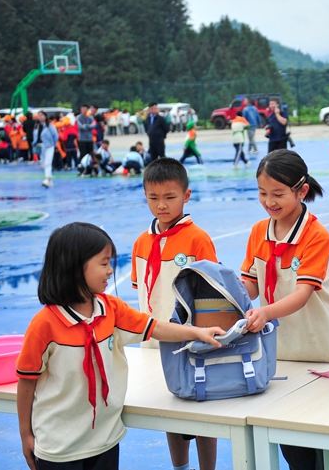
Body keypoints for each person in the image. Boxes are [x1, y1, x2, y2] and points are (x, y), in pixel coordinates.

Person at [16, 223, 222, 470]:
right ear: (74, 268)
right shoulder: (44, 325)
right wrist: (25, 434)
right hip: (59, 448)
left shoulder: (111, 309)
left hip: (105, 440)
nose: (110, 270)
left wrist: (197, 332)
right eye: (103, 264)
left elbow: (154, 327)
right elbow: (26, 381)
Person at [240, 149, 329, 470]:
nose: (269, 201)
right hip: (279, 353)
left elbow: (301, 294)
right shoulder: (259, 231)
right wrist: (219, 294)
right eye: (262, 193)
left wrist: (265, 313)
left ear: (302, 191)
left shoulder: (316, 235)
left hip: (319, 352)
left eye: (278, 194)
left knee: (325, 448)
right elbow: (250, 286)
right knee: (293, 449)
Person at [130, 157, 219, 470]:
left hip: (192, 342)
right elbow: (142, 292)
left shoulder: (198, 239)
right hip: (153, 343)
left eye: (169, 197)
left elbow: (211, 296)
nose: (161, 206)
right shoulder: (141, 241)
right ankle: (179, 467)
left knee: (202, 413)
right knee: (169, 407)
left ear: (186, 196)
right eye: (153, 198)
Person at [34, 112, 59, 188]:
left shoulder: (50, 126)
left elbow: (55, 136)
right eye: (39, 116)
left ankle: (47, 179)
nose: (40, 117)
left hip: (49, 146)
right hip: (40, 146)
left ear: (45, 116)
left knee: (48, 163)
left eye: (42, 115)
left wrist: (53, 144)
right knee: (44, 164)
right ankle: (50, 181)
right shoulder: (36, 126)